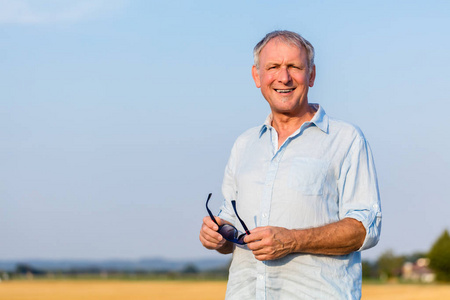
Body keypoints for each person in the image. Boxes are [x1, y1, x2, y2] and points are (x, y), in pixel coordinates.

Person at [199, 30, 382, 300]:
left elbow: (365, 229)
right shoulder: (244, 144)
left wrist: (293, 240)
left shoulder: (346, 139)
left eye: (294, 67)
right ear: (257, 76)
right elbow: (230, 226)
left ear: (311, 74)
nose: (283, 77)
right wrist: (219, 235)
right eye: (273, 67)